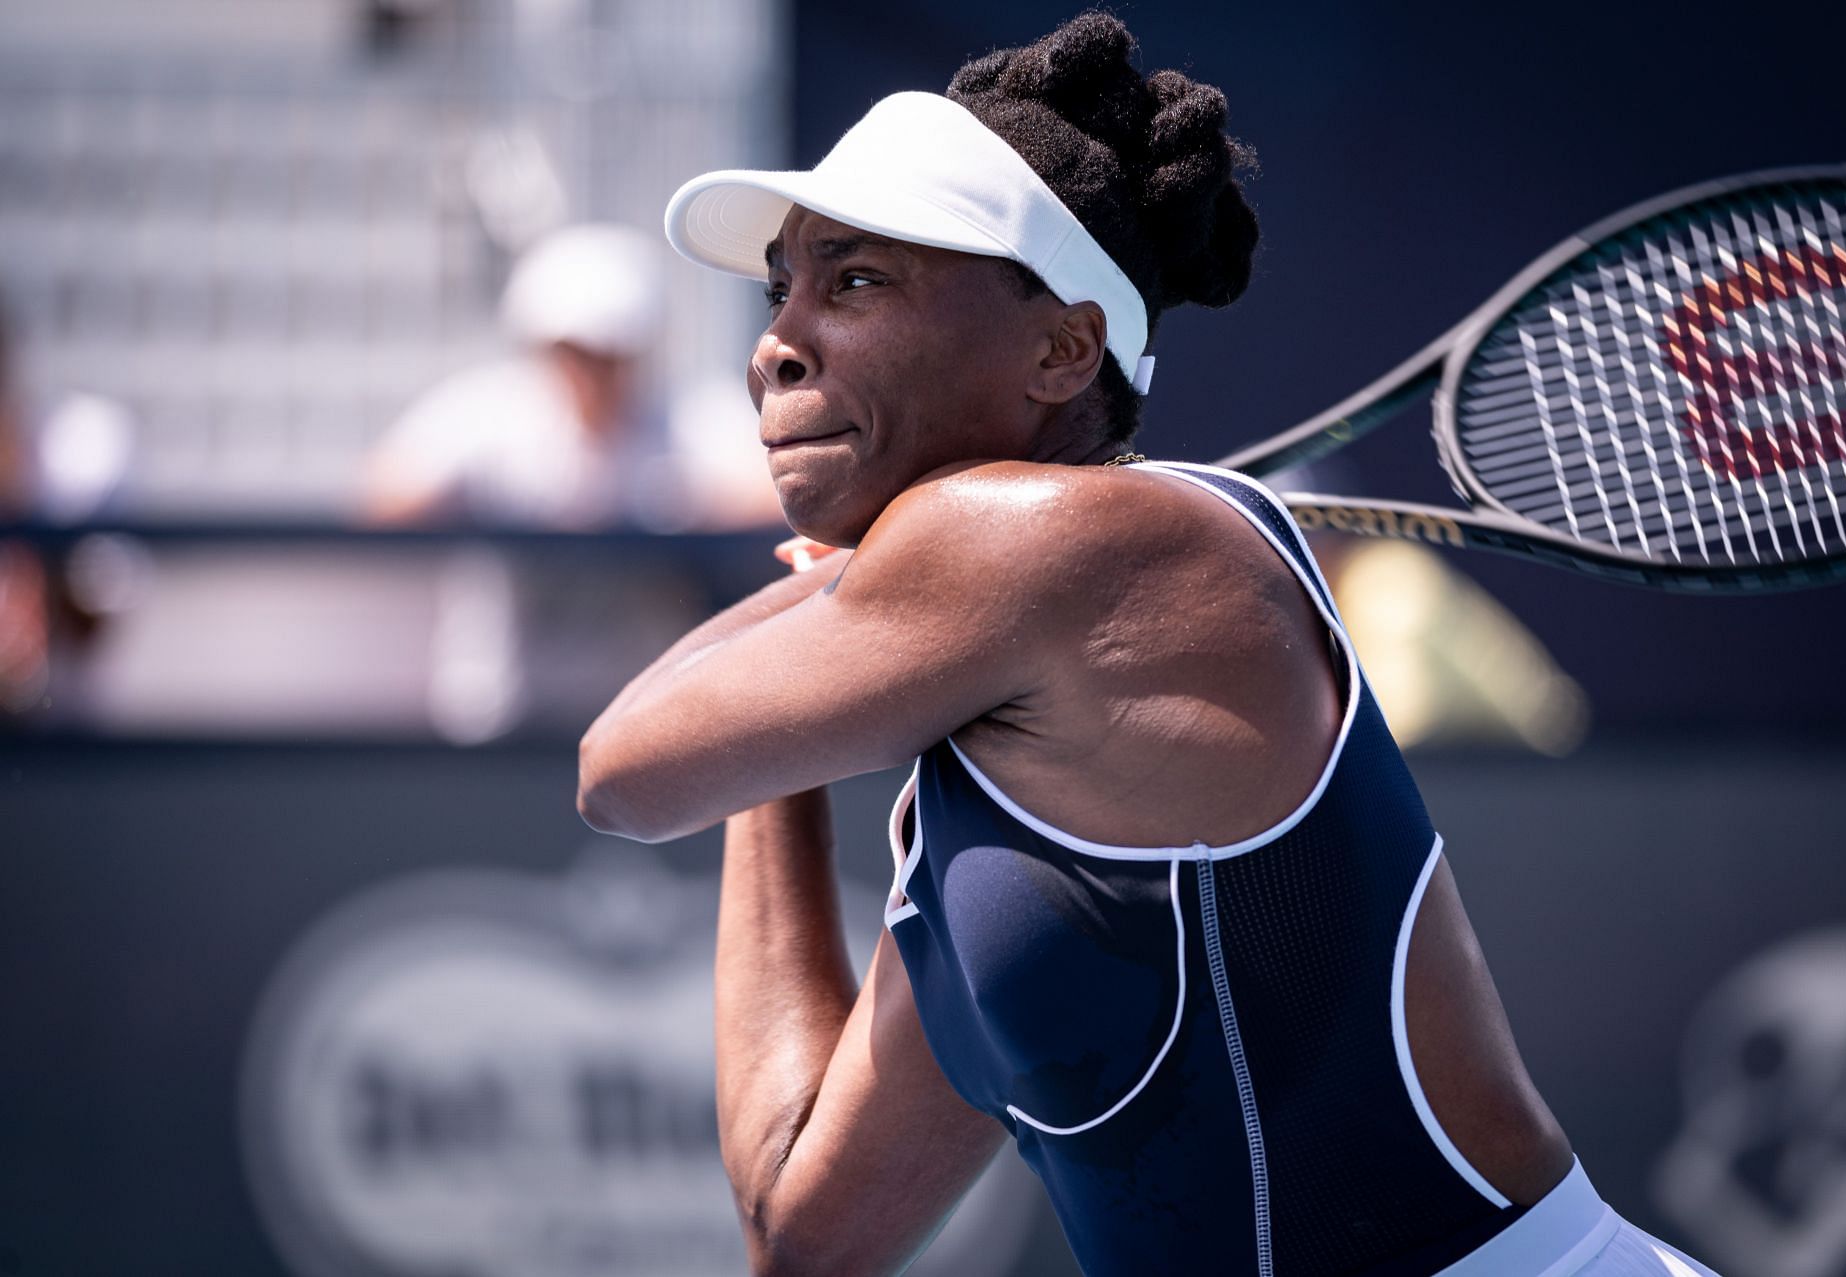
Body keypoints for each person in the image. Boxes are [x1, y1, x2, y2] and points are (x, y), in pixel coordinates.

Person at [578, 13, 1718, 1277]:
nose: (775, 343)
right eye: (778, 287)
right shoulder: (979, 845)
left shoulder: (1074, 546)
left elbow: (623, 770)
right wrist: (782, 729)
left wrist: (795, 643)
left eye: (855, 281)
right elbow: (800, 1225)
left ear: (1063, 347)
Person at [361, 222, 778, 532]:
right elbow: (382, 499)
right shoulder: (488, 411)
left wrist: (675, 502)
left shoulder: (686, 412)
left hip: (660, 647)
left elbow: (776, 499)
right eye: (574, 352)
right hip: (512, 651)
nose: (591, 373)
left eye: (610, 354)